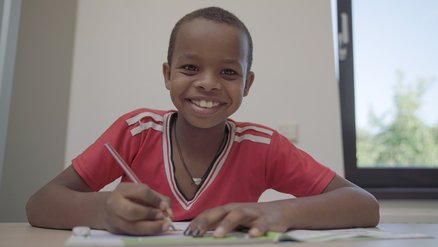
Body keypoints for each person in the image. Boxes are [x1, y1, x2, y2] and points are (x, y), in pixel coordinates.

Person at [26, 6, 379, 238]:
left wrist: (277, 212)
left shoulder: (263, 146)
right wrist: (105, 210)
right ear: (167, 74)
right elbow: (40, 203)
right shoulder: (136, 131)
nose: (208, 83)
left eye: (228, 72)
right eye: (190, 68)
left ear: (247, 84)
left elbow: (363, 204)